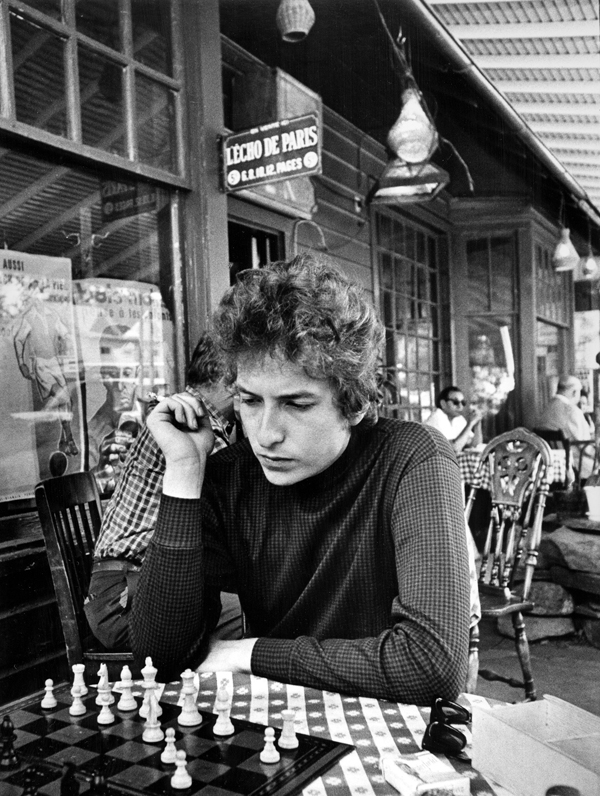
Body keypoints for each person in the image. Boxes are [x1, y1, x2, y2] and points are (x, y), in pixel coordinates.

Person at [129, 254, 471, 705]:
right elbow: (159, 659)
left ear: (354, 403)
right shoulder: (229, 476)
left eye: (296, 404)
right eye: (250, 401)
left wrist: (249, 654)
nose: (265, 434)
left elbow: (431, 665)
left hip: (394, 726)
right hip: (277, 724)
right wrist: (185, 472)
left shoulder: (412, 457)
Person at [84, 331, 238, 651]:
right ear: (230, 380)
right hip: (127, 601)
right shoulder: (193, 427)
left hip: (124, 588)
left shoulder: (180, 413)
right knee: (264, 614)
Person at [536, 374, 595, 479]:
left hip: (550, 466)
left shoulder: (545, 409)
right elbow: (585, 446)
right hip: (574, 465)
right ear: (574, 392)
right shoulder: (572, 411)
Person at [425, 386, 482, 453]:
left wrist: (477, 423)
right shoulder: (436, 418)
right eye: (456, 402)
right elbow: (453, 449)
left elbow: (475, 445)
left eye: (463, 402)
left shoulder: (458, 419)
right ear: (443, 404)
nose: (460, 406)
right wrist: (470, 424)